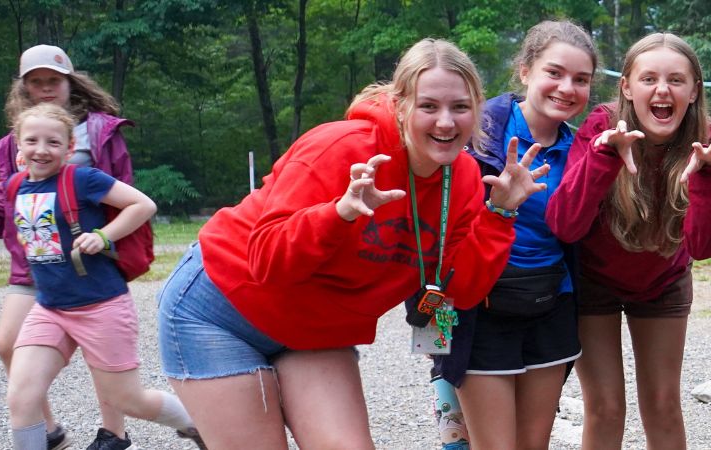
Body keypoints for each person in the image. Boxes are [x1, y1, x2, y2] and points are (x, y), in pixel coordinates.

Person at [155, 38, 544, 449]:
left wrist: (499, 214)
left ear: (477, 109)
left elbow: (462, 291)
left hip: (315, 330)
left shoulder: (462, 179)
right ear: (400, 105)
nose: (445, 122)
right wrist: (337, 214)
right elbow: (267, 261)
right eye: (429, 106)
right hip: (222, 310)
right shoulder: (342, 148)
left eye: (460, 107)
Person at [545, 32, 711, 450]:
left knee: (664, 405)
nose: (662, 90)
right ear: (627, 86)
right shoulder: (601, 127)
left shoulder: (705, 140)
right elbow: (564, 226)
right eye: (649, 79)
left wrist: (708, 179)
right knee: (606, 407)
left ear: (694, 89)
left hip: (662, 282)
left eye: (676, 80)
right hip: (595, 282)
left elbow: (702, 249)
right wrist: (604, 157)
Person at [424, 20, 596, 450]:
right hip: (475, 311)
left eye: (581, 79)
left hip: (550, 305)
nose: (566, 88)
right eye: (554, 73)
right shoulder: (471, 132)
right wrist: (435, 342)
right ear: (525, 71)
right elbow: (432, 229)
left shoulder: (583, 152)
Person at [0, 44, 137, 448]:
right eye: (35, 82)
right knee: (9, 342)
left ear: (69, 83)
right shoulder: (13, 144)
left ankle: (114, 433)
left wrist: (109, 241)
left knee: (100, 353)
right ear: (23, 88)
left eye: (53, 80)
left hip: (88, 261)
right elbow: (2, 206)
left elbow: (128, 197)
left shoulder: (101, 132)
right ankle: (48, 430)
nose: (45, 88)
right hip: (35, 261)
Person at [0, 103, 201, 449]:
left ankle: (197, 425)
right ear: (19, 145)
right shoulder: (15, 186)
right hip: (50, 309)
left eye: (53, 142)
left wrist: (104, 235)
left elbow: (143, 205)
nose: (42, 150)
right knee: (21, 397)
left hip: (101, 306)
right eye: (32, 140)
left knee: (128, 400)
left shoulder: (82, 178)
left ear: (68, 148)